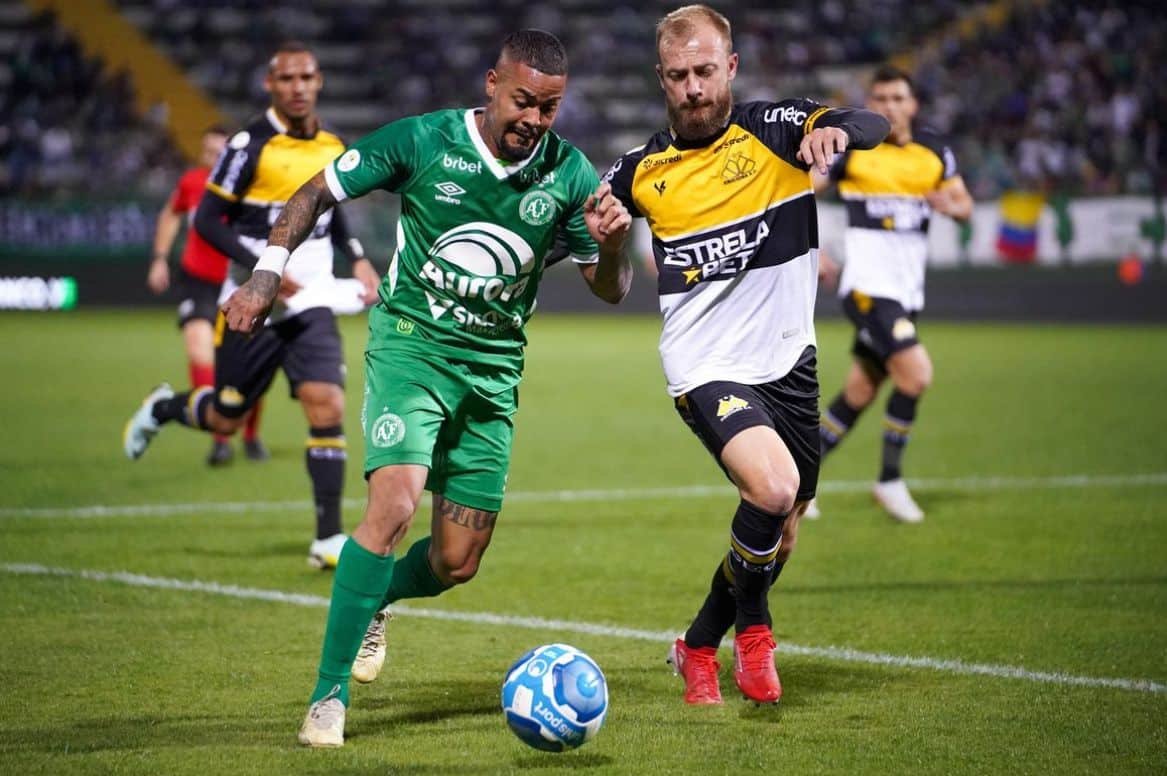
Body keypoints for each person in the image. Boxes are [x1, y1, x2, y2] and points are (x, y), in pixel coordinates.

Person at [221, 30, 632, 747]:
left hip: (493, 374)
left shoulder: (569, 175)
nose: (534, 119)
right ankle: (328, 697)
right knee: (394, 503)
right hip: (411, 348)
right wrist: (264, 270)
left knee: (454, 562)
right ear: (492, 86)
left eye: (550, 107)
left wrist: (615, 242)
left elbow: (610, 289)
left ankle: (376, 596)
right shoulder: (423, 141)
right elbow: (316, 189)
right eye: (523, 101)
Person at [602, 4, 889, 705]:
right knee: (770, 489)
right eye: (679, 76)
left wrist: (830, 134)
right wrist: (607, 242)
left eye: (705, 71)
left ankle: (698, 644)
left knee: (778, 536)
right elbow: (608, 287)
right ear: (661, 80)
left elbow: (868, 125)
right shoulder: (638, 172)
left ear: (729, 67)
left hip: (789, 363)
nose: (694, 88)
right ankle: (754, 635)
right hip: (704, 366)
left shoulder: (775, 129)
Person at [124, 41, 381, 569]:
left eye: (307, 77)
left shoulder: (332, 144)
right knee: (225, 416)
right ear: (271, 84)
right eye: (287, 79)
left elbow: (335, 214)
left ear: (319, 81)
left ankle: (327, 537)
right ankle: (164, 408)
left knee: (327, 405)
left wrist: (355, 257)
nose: (298, 87)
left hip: (310, 303)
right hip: (253, 304)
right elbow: (208, 221)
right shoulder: (248, 144)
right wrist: (267, 270)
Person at [808, 65, 973, 523]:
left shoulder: (934, 150)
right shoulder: (852, 150)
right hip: (867, 288)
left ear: (913, 104)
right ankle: (889, 480)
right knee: (916, 375)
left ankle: (803, 480)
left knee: (859, 392)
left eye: (898, 98)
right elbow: (801, 191)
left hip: (905, 293)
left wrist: (948, 204)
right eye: (879, 98)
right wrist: (810, 249)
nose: (889, 106)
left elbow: (964, 206)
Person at [146, 125, 269, 466]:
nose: (213, 159)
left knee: (247, 362)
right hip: (198, 280)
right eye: (208, 153)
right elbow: (171, 212)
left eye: (219, 154)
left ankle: (250, 435)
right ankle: (219, 440)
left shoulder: (250, 188)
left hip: (238, 283)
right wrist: (159, 258)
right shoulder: (191, 182)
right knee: (199, 350)